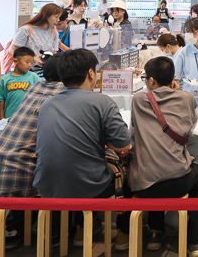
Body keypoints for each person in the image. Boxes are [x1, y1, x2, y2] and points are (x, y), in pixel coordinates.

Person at [34, 49, 132, 243]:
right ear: (90, 73)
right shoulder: (102, 101)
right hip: (87, 186)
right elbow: (124, 144)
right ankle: (124, 236)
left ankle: (82, 229)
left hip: (46, 185)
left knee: (81, 165)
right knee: (129, 176)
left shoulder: (47, 104)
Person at [115, 57, 198, 256]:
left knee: (149, 163)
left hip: (143, 185)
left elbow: (134, 132)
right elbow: (189, 128)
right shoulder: (187, 98)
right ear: (173, 78)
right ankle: (195, 243)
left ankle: (155, 233)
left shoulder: (139, 100)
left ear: (151, 81)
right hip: (178, 182)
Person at [0, 56, 65, 248]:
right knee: (58, 174)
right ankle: (56, 233)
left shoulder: (35, 88)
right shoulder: (64, 93)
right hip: (22, 172)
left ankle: (15, 228)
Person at [0, 47, 39, 118]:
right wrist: (1, 118)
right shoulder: (5, 79)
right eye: (27, 62)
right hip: (10, 117)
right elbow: (1, 100)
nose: (29, 65)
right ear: (15, 61)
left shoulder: (34, 77)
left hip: (29, 117)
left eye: (31, 62)